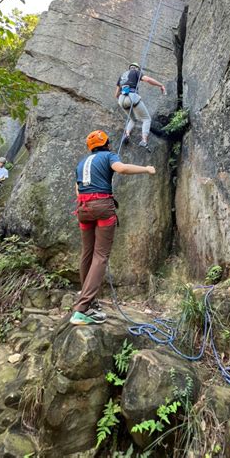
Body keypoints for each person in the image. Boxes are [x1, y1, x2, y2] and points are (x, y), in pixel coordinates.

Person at [71, 129, 156, 326]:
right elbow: (121, 168)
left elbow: (78, 189)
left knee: (87, 254)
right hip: (102, 207)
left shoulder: (82, 163)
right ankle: (83, 309)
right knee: (100, 256)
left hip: (83, 208)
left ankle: (88, 301)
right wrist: (147, 169)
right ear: (107, 144)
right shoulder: (109, 155)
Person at [115, 62, 166, 151]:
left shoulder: (122, 76)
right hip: (132, 97)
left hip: (122, 100)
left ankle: (127, 134)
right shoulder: (136, 72)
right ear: (137, 68)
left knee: (133, 119)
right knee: (146, 119)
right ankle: (144, 140)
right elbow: (148, 80)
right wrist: (160, 85)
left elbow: (116, 94)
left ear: (130, 68)